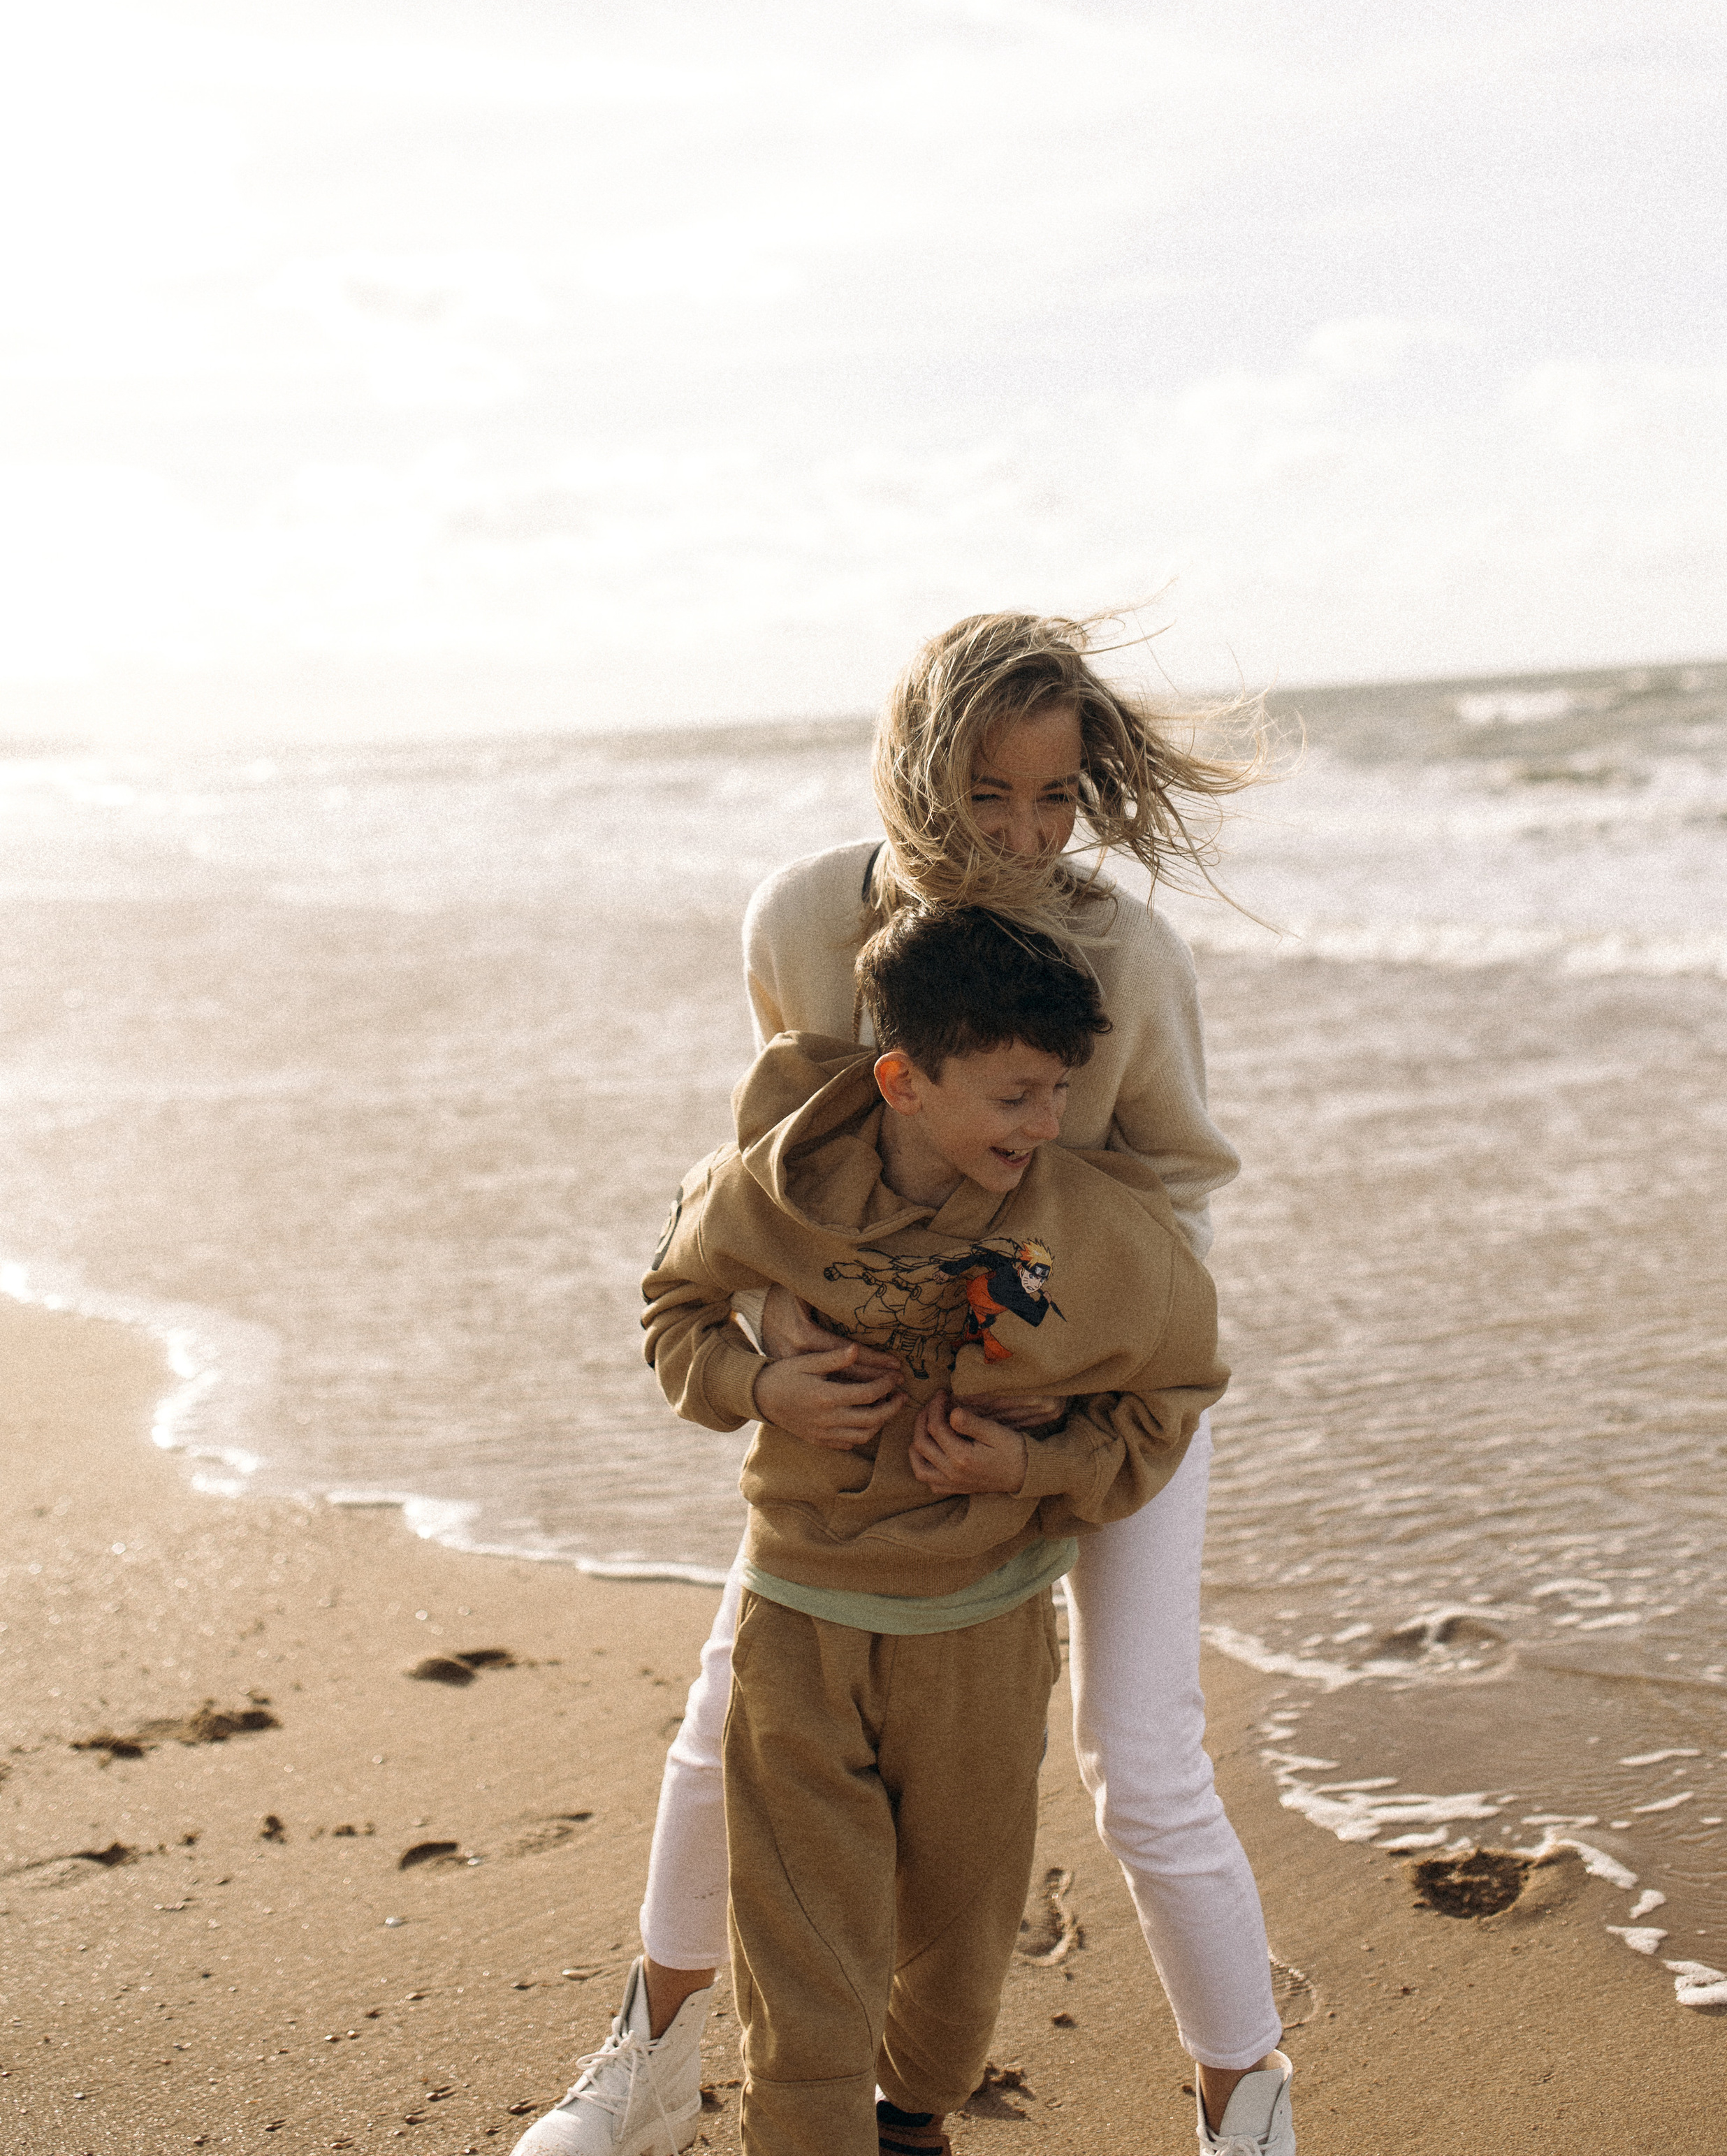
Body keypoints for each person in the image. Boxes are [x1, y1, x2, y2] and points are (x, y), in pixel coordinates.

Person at [513, 612, 1294, 2156]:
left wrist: (1060, 1387)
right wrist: (769, 1332)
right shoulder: (805, 918)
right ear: (911, 775)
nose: (1021, 835)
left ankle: (1246, 2115)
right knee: (728, 1710)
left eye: (1056, 798)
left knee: (1141, 1764)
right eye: (985, 794)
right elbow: (781, 1159)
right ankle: (646, 2068)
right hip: (874, 1394)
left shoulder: (1127, 954)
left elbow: (1177, 1196)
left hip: (1100, 1374)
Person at [643, 902, 1231, 2156]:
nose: (1047, 1123)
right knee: (804, 1948)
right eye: (1016, 1096)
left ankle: (912, 2119)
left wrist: (1034, 1462)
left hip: (983, 1630)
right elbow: (675, 1304)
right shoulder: (773, 1187)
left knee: (960, 1955)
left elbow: (1175, 1397)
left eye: (1061, 1091)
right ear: (903, 1081)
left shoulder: (1099, 1232)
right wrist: (762, 1384)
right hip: (799, 1616)